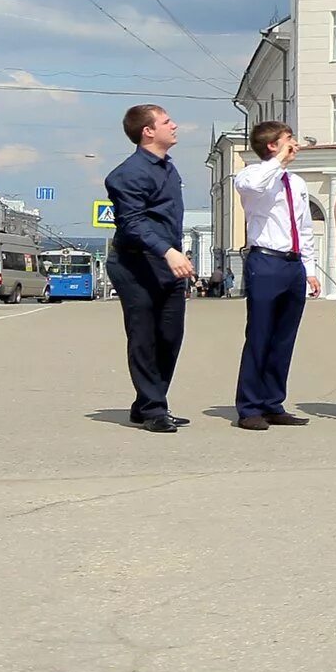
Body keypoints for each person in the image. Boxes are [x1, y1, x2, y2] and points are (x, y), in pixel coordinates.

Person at [103, 104, 193, 432]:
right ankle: (155, 409)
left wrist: (175, 255)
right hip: (136, 265)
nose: (175, 125)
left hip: (170, 264)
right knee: (144, 338)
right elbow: (132, 224)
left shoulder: (169, 168)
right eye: (168, 121)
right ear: (148, 131)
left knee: (170, 337)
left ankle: (146, 404)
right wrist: (168, 251)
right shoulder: (127, 175)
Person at [231, 119, 321, 430]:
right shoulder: (251, 176)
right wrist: (278, 160)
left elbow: (304, 227)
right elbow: (253, 186)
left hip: (292, 264)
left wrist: (308, 268)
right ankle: (249, 406)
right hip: (265, 261)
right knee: (260, 334)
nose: (295, 144)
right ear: (272, 146)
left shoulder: (295, 182)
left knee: (284, 338)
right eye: (288, 139)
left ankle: (273, 402)